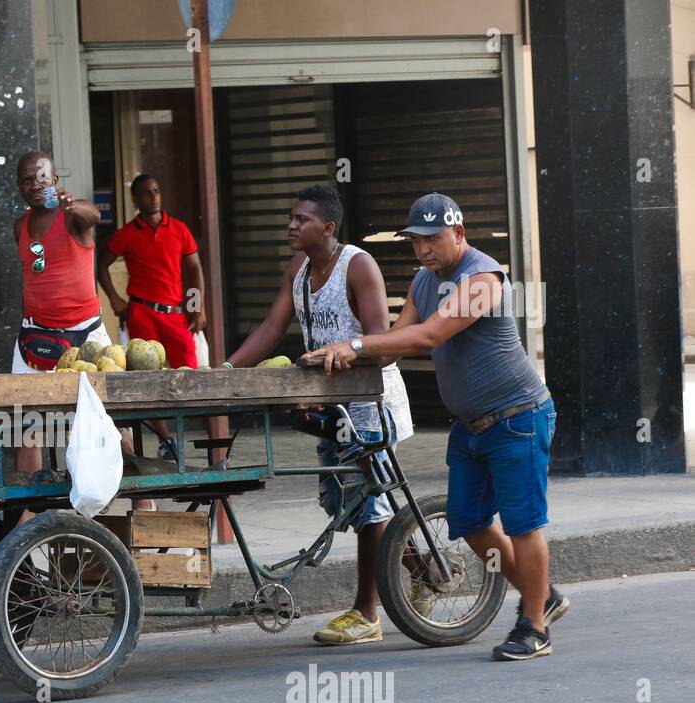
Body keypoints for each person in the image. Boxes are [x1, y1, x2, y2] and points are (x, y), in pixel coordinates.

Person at [304, 193, 568, 661]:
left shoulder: (483, 279)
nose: (423, 250)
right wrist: (334, 356)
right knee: (467, 522)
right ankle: (541, 592)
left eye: (433, 239)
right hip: (470, 426)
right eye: (416, 241)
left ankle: (534, 625)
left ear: (459, 234)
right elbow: (391, 347)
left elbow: (429, 336)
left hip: (518, 418)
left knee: (523, 525)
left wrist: (357, 342)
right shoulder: (425, 282)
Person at [224, 185, 417, 646]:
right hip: (333, 407)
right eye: (291, 218)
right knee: (344, 502)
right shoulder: (298, 269)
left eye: (301, 219)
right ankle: (426, 571)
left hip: (369, 401)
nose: (292, 225)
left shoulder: (358, 265)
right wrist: (227, 370)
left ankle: (366, 612)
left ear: (327, 227)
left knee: (369, 506)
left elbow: (379, 341)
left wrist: (346, 355)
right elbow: (272, 329)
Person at [10, 150, 107, 481]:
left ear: (54, 179)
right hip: (34, 337)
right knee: (24, 426)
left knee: (109, 420)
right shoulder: (19, 226)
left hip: (85, 335)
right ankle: (28, 517)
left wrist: (75, 206)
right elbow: (36, 268)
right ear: (19, 186)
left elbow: (93, 216)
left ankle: (142, 504)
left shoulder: (72, 216)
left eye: (41, 177)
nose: (35, 184)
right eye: (27, 179)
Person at [98, 174, 207, 462]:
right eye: (147, 193)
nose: (154, 197)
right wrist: (114, 298)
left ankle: (193, 437)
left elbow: (195, 267)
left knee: (190, 375)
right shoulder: (126, 233)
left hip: (175, 313)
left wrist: (198, 305)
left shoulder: (179, 229)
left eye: (157, 191)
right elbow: (102, 264)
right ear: (135, 199)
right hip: (142, 312)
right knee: (148, 377)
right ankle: (166, 440)